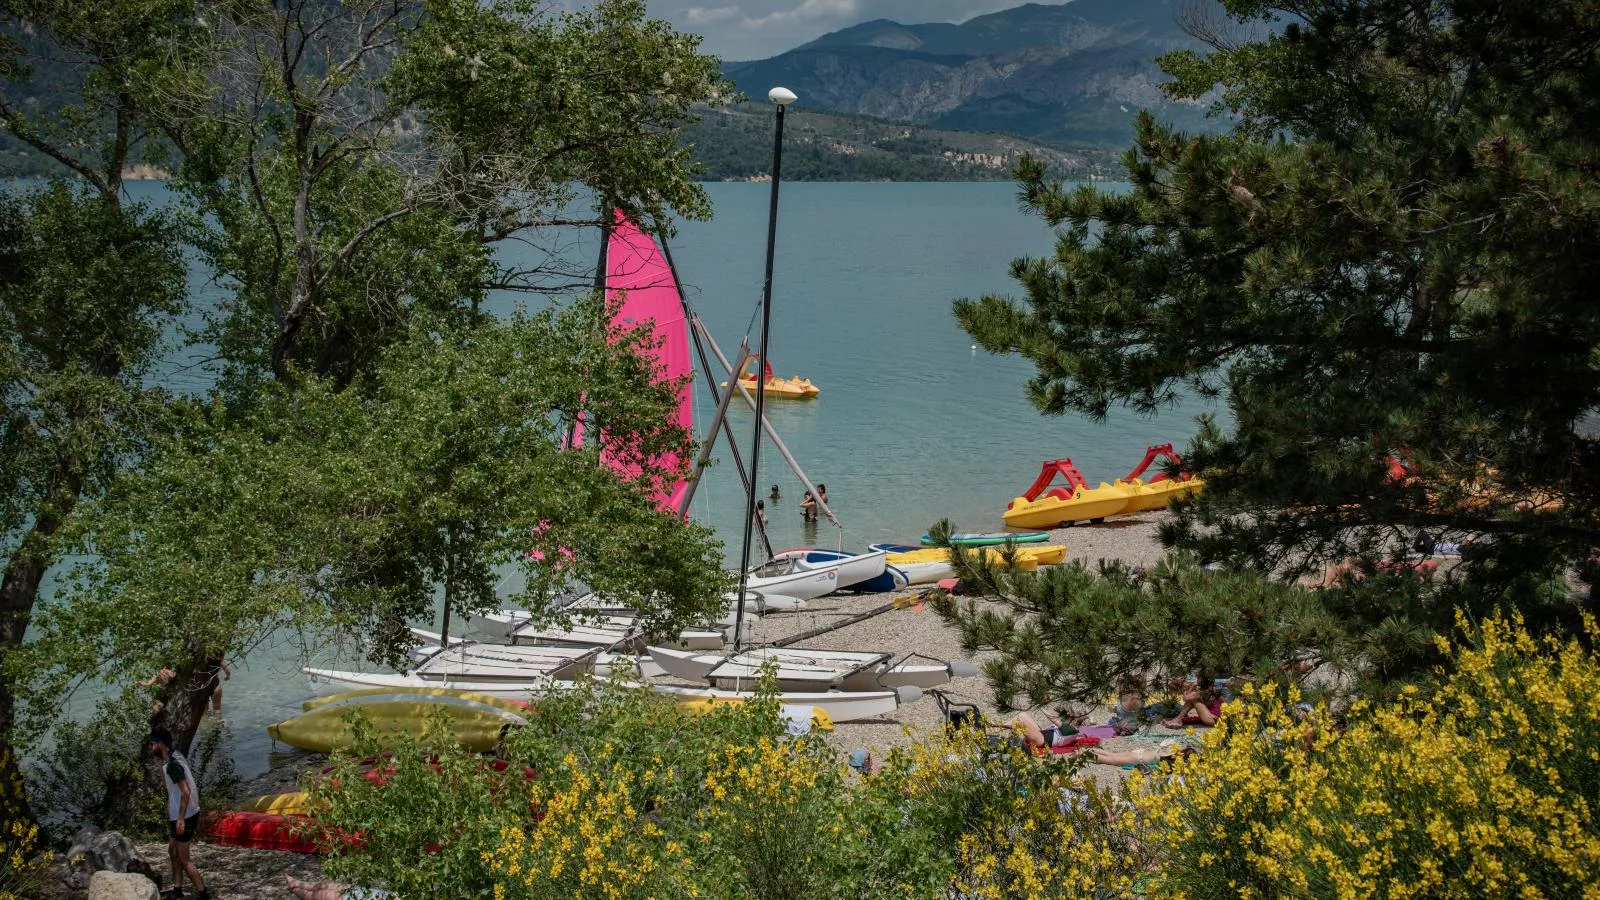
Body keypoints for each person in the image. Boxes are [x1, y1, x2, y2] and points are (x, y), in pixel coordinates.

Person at [147, 728, 209, 900]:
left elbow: (185, 792)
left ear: (161, 744)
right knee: (172, 851)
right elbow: (169, 786)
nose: (149, 747)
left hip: (185, 815)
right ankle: (177, 890)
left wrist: (180, 818)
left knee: (184, 859)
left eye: (152, 744)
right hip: (180, 814)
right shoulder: (170, 760)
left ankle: (203, 893)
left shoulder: (174, 764)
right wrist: (160, 765)